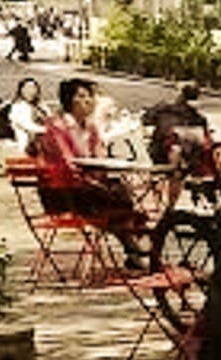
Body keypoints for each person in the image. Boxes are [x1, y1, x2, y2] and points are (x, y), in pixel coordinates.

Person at [34, 77, 146, 254]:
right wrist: (93, 179)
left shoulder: (91, 126)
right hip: (63, 191)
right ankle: (130, 243)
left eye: (90, 96)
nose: (89, 101)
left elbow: (100, 156)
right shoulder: (57, 126)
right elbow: (67, 162)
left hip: (90, 188)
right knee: (115, 200)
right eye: (82, 96)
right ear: (69, 100)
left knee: (121, 191)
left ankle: (131, 243)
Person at [8, 75, 47, 153]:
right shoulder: (17, 107)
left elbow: (50, 118)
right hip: (28, 143)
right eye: (27, 88)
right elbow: (27, 125)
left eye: (33, 88)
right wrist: (47, 130)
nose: (30, 91)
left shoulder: (40, 106)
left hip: (43, 139)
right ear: (21, 90)